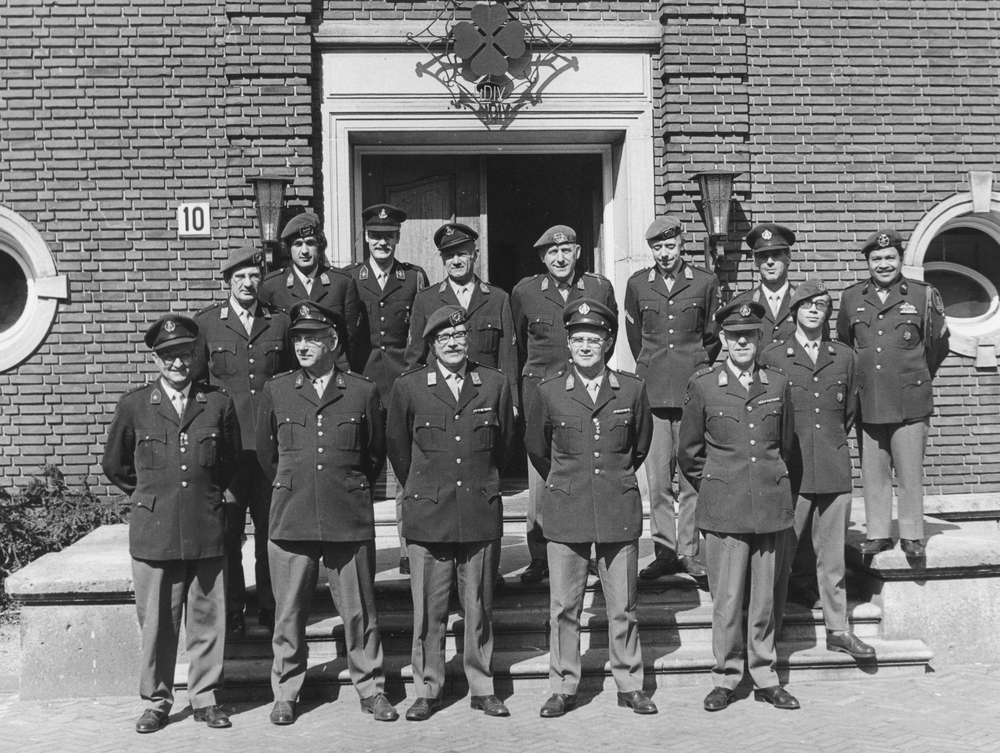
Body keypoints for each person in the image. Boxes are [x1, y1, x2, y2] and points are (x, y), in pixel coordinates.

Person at [254, 301, 397, 725]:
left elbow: (373, 454)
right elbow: (267, 454)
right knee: (288, 613)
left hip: (346, 514)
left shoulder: (361, 391)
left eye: (312, 338)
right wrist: (297, 482)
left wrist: (342, 483)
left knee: (359, 612)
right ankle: (286, 692)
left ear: (332, 342)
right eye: (297, 338)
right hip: (292, 515)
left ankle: (371, 688)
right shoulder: (277, 390)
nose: (302, 345)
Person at [102, 314, 241, 733]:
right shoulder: (134, 405)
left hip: (205, 524)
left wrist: (203, 494)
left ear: (195, 357)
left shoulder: (217, 403)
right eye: (168, 356)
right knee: (158, 624)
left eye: (184, 354)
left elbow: (230, 462)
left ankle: (206, 698)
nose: (178, 363)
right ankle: (156, 701)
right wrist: (153, 496)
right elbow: (116, 465)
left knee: (207, 620)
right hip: (155, 530)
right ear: (155, 360)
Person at [525, 298, 656, 718]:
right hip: (567, 509)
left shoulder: (631, 389)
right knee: (564, 608)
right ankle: (564, 686)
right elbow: (538, 449)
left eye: (594, 339)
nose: (585, 346)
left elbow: (639, 446)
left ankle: (629, 684)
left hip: (617, 507)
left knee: (623, 606)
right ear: (568, 343)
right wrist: (567, 480)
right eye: (578, 339)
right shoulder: (549, 391)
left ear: (608, 343)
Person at [386, 306, 515, 721]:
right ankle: (428, 688)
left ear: (469, 339)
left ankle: (482, 687)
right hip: (429, 512)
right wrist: (425, 488)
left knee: (479, 606)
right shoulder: (409, 387)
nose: (454, 343)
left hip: (478, 508)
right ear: (431, 344)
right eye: (444, 338)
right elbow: (398, 449)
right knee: (429, 610)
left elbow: (504, 446)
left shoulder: (493, 383)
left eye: (459, 336)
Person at [678, 300, 800, 712]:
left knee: (764, 601)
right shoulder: (704, 385)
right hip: (724, 508)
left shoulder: (778, 383)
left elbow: (785, 445)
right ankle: (727, 677)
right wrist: (720, 484)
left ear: (759, 339)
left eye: (749, 335)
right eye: (735, 336)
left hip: (769, 505)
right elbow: (689, 453)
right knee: (728, 602)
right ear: (724, 341)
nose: (743, 342)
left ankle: (765, 676)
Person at [760, 280, 875, 659]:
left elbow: (848, 413)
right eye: (806, 305)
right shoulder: (774, 356)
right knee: (781, 558)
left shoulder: (843, 356)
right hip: (790, 472)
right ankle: (769, 631)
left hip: (833, 467)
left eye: (821, 305)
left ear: (828, 313)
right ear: (794, 312)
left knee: (833, 559)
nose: (814, 310)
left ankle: (838, 630)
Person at [191, 246, 293, 636]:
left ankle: (269, 604)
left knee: (270, 529)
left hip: (270, 447)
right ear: (228, 282)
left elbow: (290, 382)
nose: (248, 284)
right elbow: (198, 387)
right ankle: (233, 607)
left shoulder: (279, 322)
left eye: (254, 276)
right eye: (240, 278)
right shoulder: (207, 324)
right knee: (229, 530)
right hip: (228, 450)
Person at [511, 225, 618, 583]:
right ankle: (540, 556)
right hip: (542, 395)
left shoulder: (598, 288)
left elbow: (608, 338)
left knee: (587, 472)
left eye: (566, 250)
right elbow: (519, 345)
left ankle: (590, 553)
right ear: (543, 257)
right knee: (541, 479)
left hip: (587, 395)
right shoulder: (525, 292)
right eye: (552, 253)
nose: (560, 258)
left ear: (577, 253)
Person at [836, 227, 949, 560]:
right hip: (868, 396)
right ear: (868, 263)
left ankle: (912, 534)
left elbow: (938, 345)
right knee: (874, 470)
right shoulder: (852, 297)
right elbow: (845, 344)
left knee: (909, 469)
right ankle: (878, 533)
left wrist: (914, 377)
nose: (883, 264)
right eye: (876, 259)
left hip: (909, 397)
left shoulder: (922, 295)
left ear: (900, 259)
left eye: (889, 257)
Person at [625, 217, 720, 580]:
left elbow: (711, 336)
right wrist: (652, 365)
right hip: (653, 391)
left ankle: (688, 551)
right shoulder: (638, 284)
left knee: (691, 473)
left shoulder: (704, 281)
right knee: (658, 478)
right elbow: (635, 335)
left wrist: (694, 365)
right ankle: (664, 551)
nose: (664, 253)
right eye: (657, 247)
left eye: (669, 245)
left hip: (692, 387)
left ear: (682, 244)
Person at [345, 203, 429, 574]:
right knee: (358, 473)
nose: (382, 242)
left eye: (389, 236)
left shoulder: (413, 278)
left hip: (400, 388)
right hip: (362, 389)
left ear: (397, 238)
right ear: (366, 237)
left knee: (405, 473)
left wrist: (412, 380)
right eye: (376, 236)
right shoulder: (350, 279)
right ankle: (357, 553)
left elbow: (420, 333)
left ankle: (409, 550)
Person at [404, 222, 518, 412]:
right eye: (449, 256)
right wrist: (413, 400)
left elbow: (507, 359)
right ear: (442, 259)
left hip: (485, 396)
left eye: (462, 254)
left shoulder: (498, 298)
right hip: (438, 396)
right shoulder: (425, 300)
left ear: (475, 255)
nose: (455, 261)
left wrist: (512, 402)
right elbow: (415, 357)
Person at [257, 211, 365, 371]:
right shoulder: (273, 286)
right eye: (298, 244)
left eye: (310, 243)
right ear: (288, 248)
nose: (305, 251)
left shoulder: (341, 282)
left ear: (320, 246)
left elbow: (353, 338)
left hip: (333, 372)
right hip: (292, 374)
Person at [730, 223, 823, 349]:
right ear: (756, 261)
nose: (770, 262)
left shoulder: (807, 302)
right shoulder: (743, 303)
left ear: (788, 257)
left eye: (776, 255)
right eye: (764, 256)